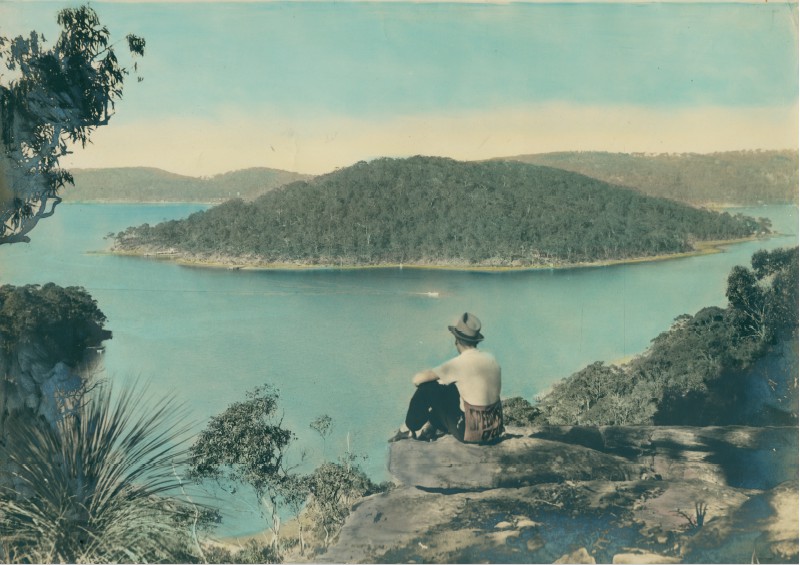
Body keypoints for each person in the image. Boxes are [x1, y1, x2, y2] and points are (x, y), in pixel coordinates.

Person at [389, 312, 504, 444]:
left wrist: (434, 379)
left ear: (457, 340)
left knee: (428, 387)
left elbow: (417, 380)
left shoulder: (459, 363)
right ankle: (431, 427)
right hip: (495, 430)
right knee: (450, 387)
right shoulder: (491, 359)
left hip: (471, 433)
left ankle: (409, 428)